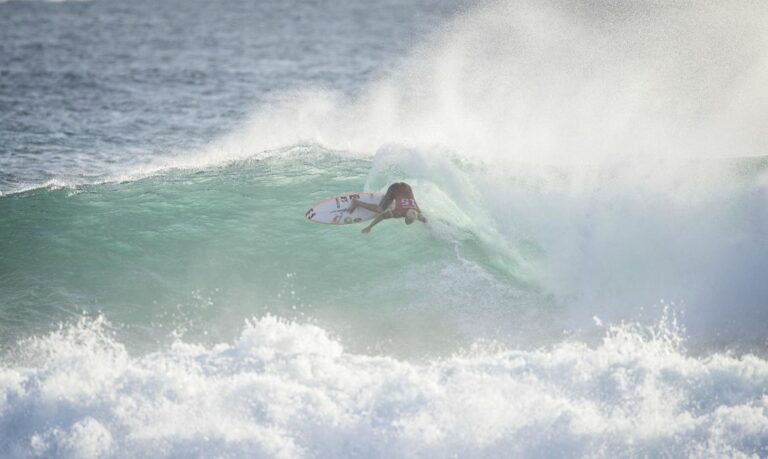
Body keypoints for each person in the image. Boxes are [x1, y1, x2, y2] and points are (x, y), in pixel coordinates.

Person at [347, 182, 427, 234]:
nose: (408, 222)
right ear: (405, 216)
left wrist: (429, 228)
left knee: (396, 203)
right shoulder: (398, 213)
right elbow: (382, 216)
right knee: (380, 210)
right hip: (394, 188)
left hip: (406, 187)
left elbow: (424, 220)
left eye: (410, 221)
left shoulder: (417, 211)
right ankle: (356, 202)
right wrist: (370, 227)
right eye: (409, 220)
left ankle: (393, 202)